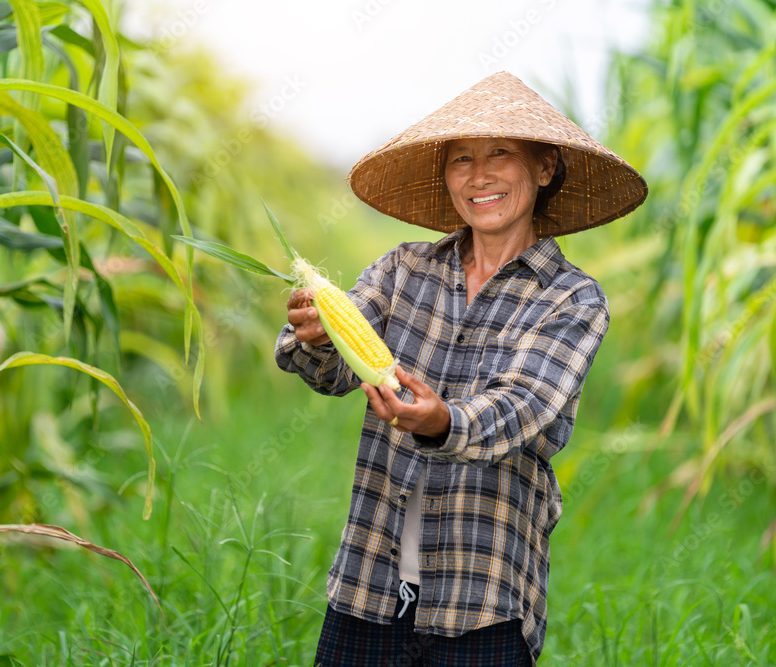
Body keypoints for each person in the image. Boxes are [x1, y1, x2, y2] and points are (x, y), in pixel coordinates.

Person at [275, 71, 647, 666]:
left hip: (483, 596)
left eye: (500, 153)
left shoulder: (572, 299)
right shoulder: (402, 271)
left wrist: (441, 420)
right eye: (460, 159)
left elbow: (525, 407)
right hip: (367, 582)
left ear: (545, 167)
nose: (479, 176)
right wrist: (316, 335)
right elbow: (333, 371)